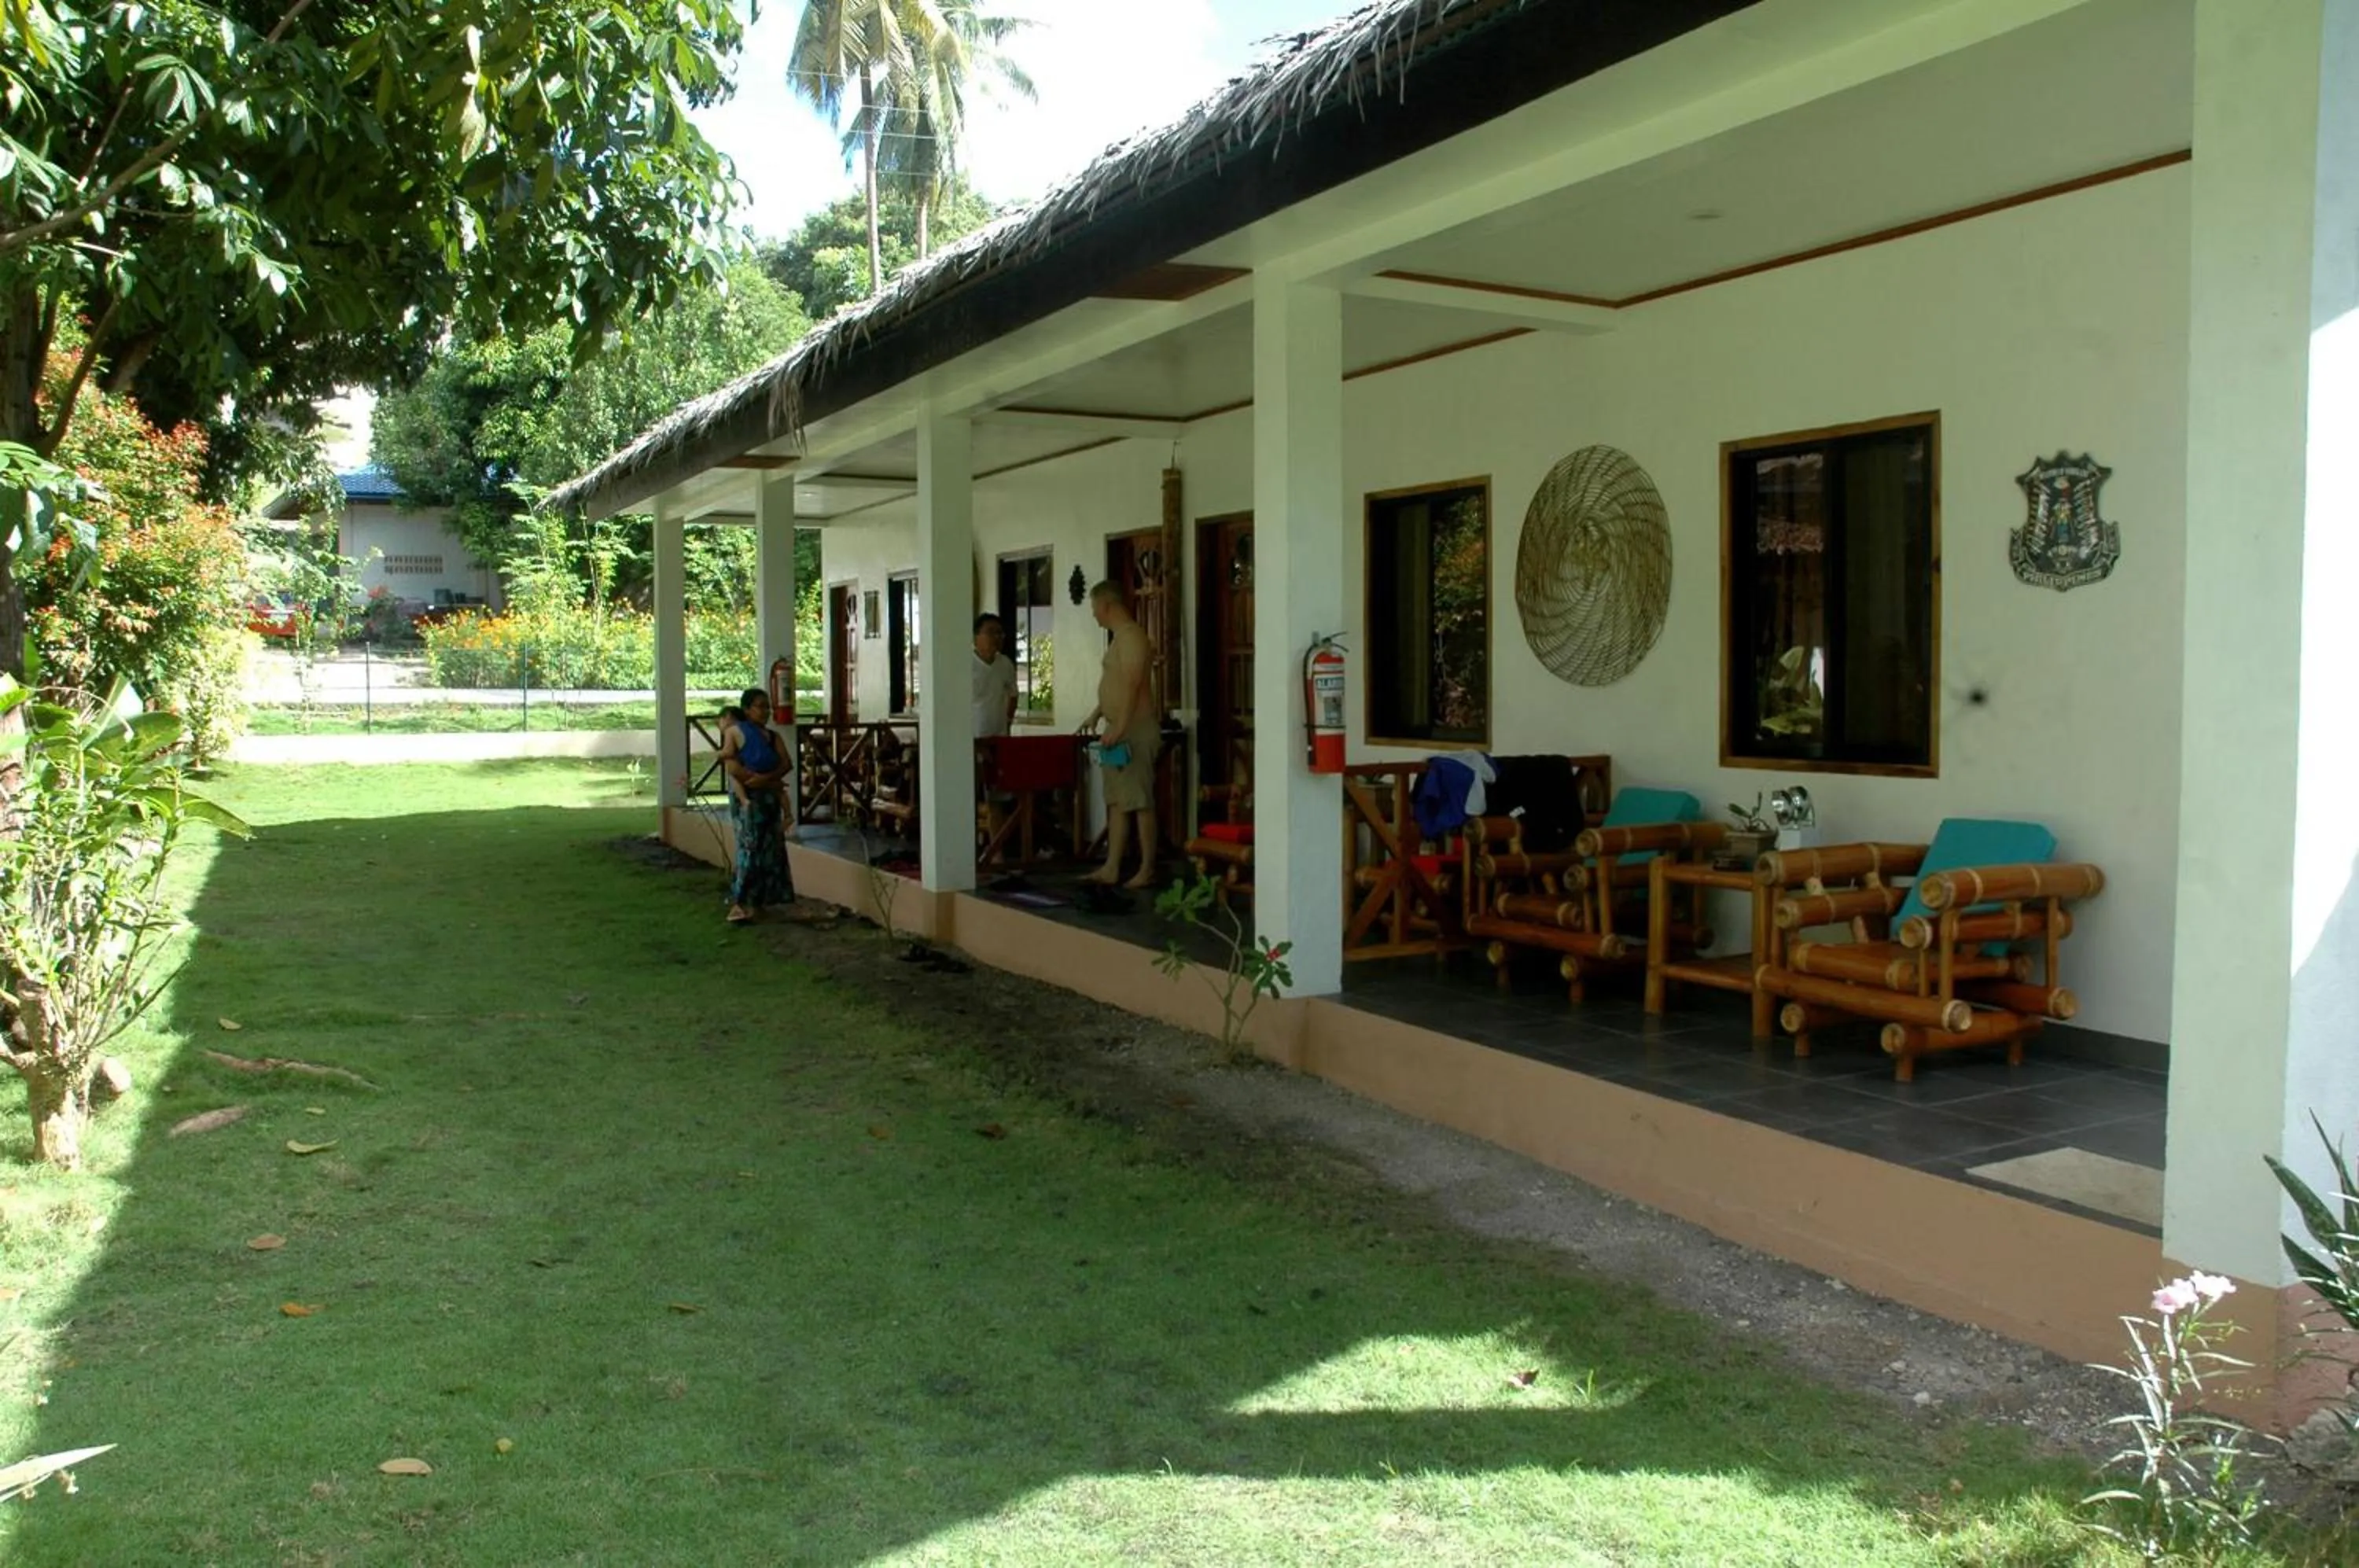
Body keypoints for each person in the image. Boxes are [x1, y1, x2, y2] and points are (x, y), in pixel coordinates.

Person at [1077, 581, 1159, 889]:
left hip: (1134, 730)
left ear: (1107, 605)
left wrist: (1121, 726)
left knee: (1139, 800)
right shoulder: (1117, 640)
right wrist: (1098, 713)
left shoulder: (1133, 637)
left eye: (1095, 609)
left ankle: (1147, 867)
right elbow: (1115, 683)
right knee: (1116, 801)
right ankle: (1111, 866)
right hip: (1116, 729)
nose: (1095, 616)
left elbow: (1134, 684)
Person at [716, 687, 794, 924]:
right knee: (749, 848)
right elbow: (731, 766)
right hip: (749, 799)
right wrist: (754, 780)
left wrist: (767, 779)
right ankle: (741, 902)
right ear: (748, 709)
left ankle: (763, 902)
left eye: (767, 706)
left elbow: (786, 764)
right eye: (760, 706)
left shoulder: (773, 737)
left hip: (769, 796)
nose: (766, 711)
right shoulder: (736, 733)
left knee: (772, 849)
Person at [972, 613, 1018, 738]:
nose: (997, 637)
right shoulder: (965, 665)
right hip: (972, 737)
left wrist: (1008, 721)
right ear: (976, 637)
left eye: (1000, 633)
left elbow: (1013, 695)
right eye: (991, 632)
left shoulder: (1005, 664)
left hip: (999, 736)